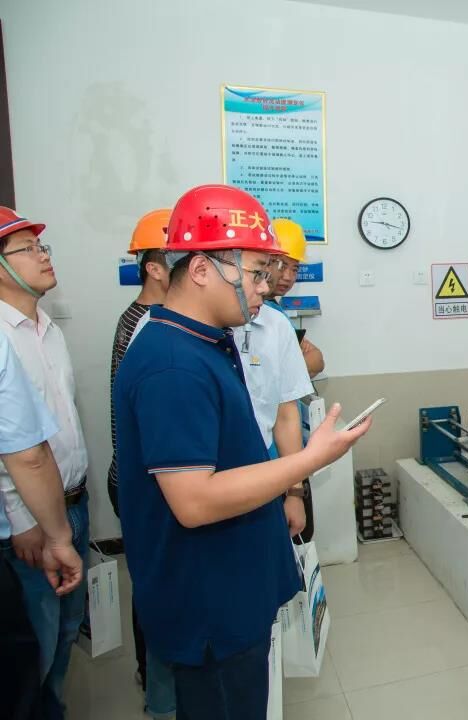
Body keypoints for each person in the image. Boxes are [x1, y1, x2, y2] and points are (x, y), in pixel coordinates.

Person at [114, 184, 371, 720]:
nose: (265, 288)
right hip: (210, 605)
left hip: (230, 587)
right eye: (255, 273)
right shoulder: (172, 364)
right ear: (201, 269)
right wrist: (311, 459)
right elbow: (194, 502)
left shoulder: (203, 340)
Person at [0, 207, 90, 720]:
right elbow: (18, 450)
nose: (43, 256)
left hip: (71, 504)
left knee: (65, 632)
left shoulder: (48, 329)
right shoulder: (3, 336)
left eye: (42, 246)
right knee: (34, 642)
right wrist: (22, 518)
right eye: (27, 249)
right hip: (32, 524)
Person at [107, 208, 175, 718]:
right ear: (154, 267)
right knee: (155, 585)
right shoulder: (144, 326)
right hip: (147, 481)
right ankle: (156, 682)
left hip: (149, 476)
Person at [237, 218, 315, 541]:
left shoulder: (275, 322)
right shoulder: (165, 333)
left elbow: (285, 411)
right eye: (271, 266)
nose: (283, 276)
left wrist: (295, 492)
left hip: (271, 462)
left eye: (292, 268)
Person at [270, 226, 324, 378]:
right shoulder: (253, 311)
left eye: (294, 269)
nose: (288, 277)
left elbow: (317, 361)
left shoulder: (275, 310)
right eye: (281, 266)